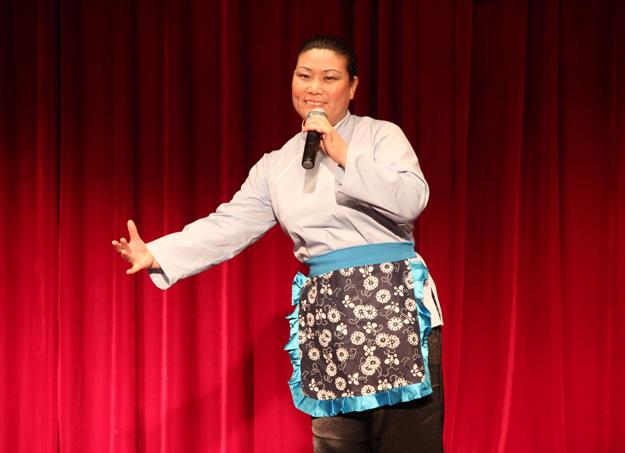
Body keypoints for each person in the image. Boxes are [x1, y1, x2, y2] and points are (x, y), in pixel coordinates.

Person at [112, 35, 444, 452]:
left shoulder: (380, 136)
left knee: (408, 442)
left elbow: (412, 200)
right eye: (304, 76)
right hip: (330, 315)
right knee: (337, 443)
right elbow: (230, 224)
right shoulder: (277, 164)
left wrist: (345, 155)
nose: (314, 88)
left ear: (352, 87)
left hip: (393, 304)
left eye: (329, 77)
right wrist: (158, 253)